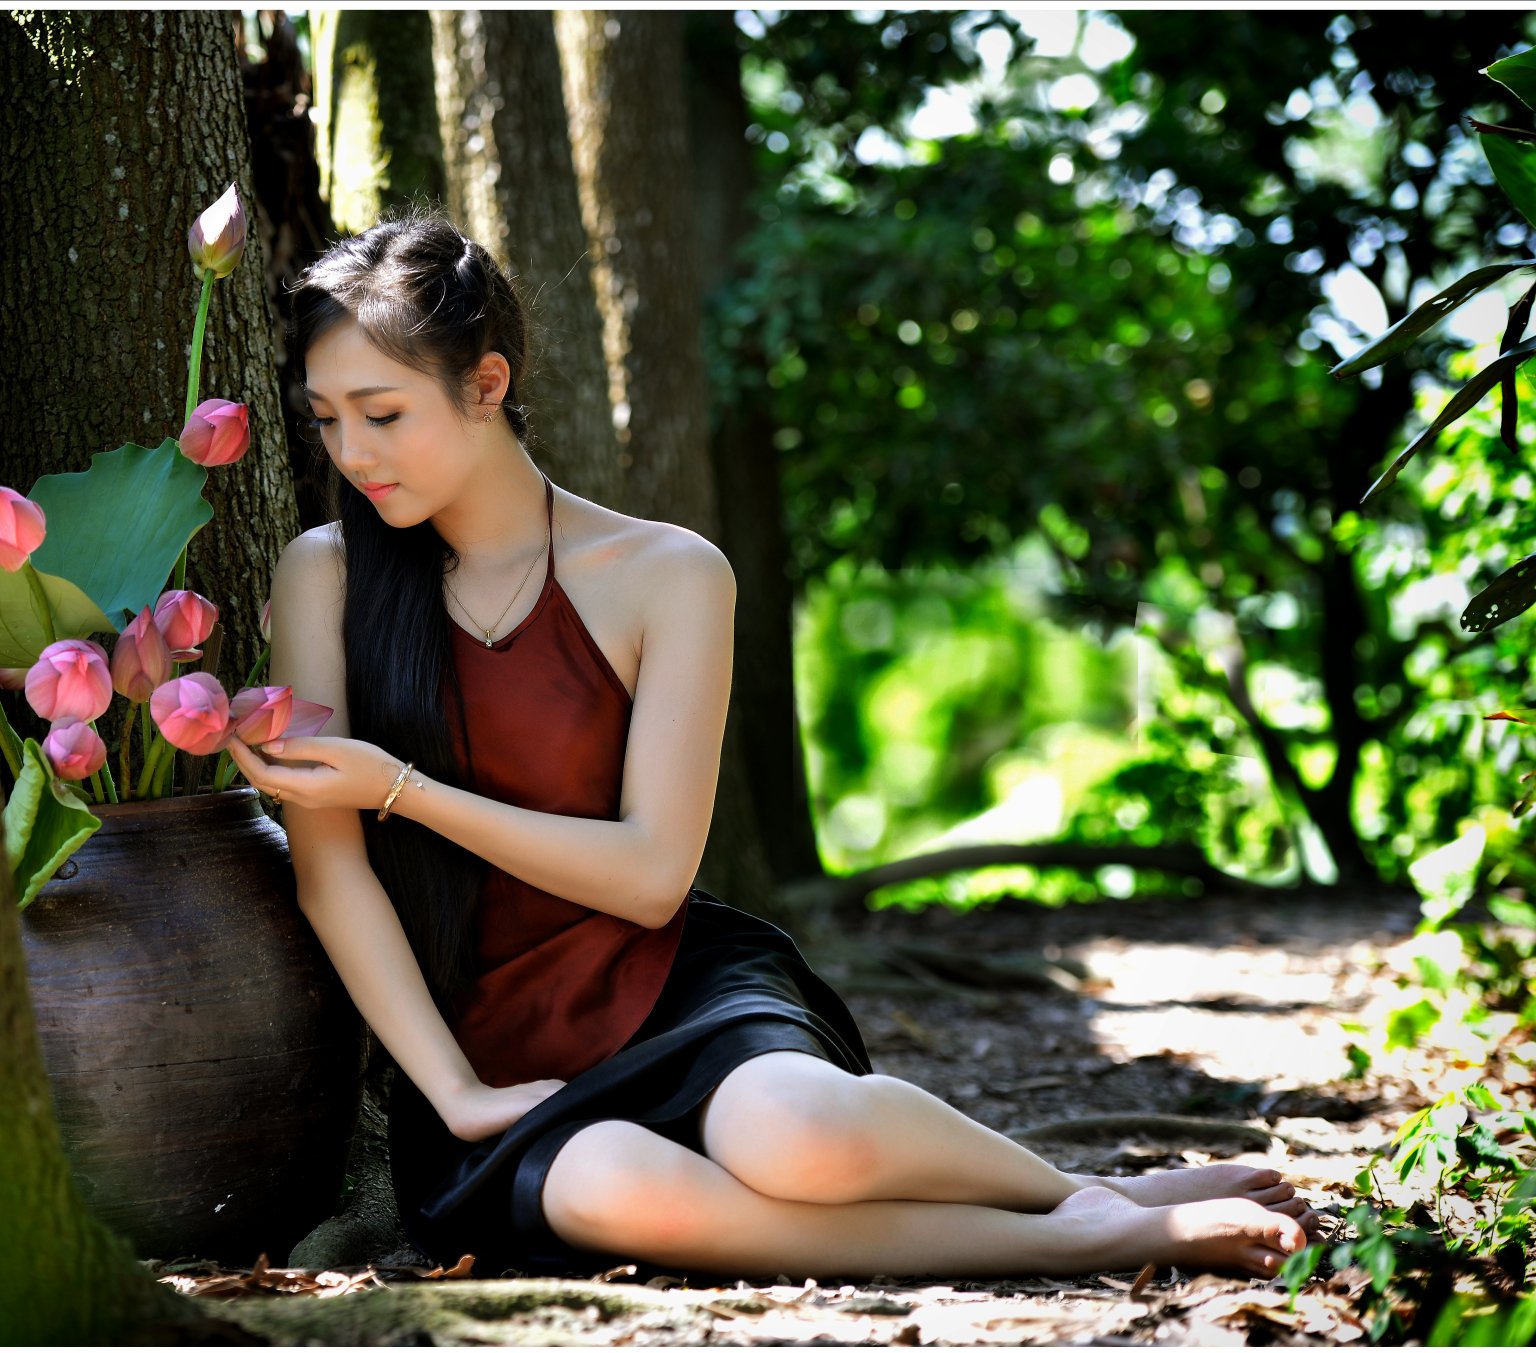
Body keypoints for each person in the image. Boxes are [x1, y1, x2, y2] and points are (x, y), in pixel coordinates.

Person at [224, 211, 1321, 1282]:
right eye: (326, 420)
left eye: (382, 413)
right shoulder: (326, 577)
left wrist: (406, 789)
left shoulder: (670, 572)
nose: (352, 452)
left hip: (668, 988)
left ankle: (1069, 1190)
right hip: (474, 1053)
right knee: (615, 1193)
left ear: (487, 384)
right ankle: (1088, 1232)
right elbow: (332, 876)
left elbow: (653, 879)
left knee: (800, 1139)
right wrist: (456, 1092)